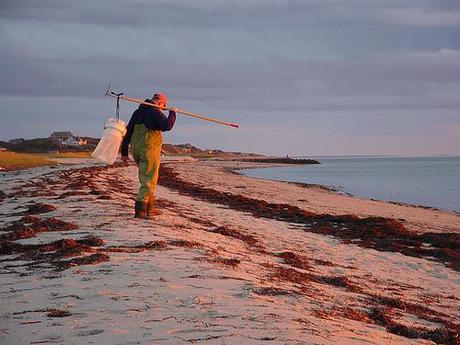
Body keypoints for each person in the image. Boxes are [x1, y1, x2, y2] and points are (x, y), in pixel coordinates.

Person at [121, 92, 176, 219]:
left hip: (136, 148)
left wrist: (124, 152)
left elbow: (128, 132)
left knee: (146, 178)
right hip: (148, 149)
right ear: (161, 102)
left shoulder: (137, 112)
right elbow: (167, 125)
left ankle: (151, 208)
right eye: (164, 105)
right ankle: (140, 211)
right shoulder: (154, 112)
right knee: (149, 180)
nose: (163, 108)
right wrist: (173, 113)